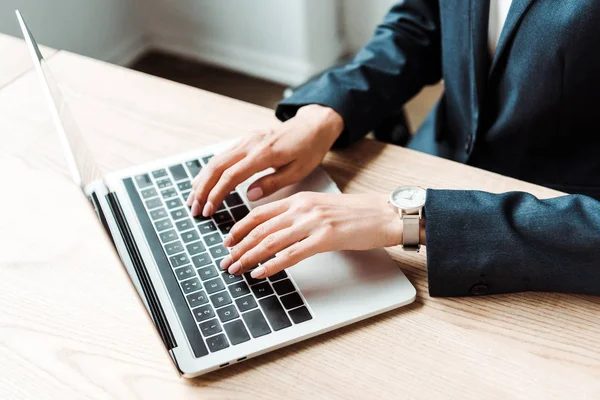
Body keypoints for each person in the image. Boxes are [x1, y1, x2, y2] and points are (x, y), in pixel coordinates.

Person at [187, 0, 600, 297]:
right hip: (426, 162)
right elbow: (423, 22)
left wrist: (414, 219)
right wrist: (327, 111)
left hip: (554, 234)